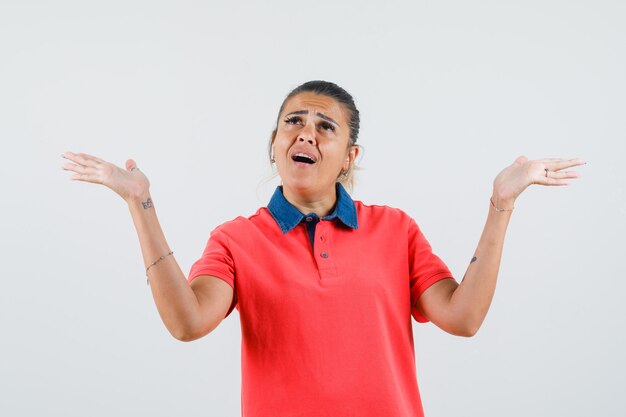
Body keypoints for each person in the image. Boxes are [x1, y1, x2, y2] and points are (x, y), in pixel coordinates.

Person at [61, 80, 584, 417]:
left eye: (324, 126)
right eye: (294, 122)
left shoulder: (394, 229)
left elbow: (463, 316)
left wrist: (501, 203)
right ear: (274, 143)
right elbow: (188, 322)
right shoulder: (236, 239)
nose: (305, 133)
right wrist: (141, 204)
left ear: (348, 156)